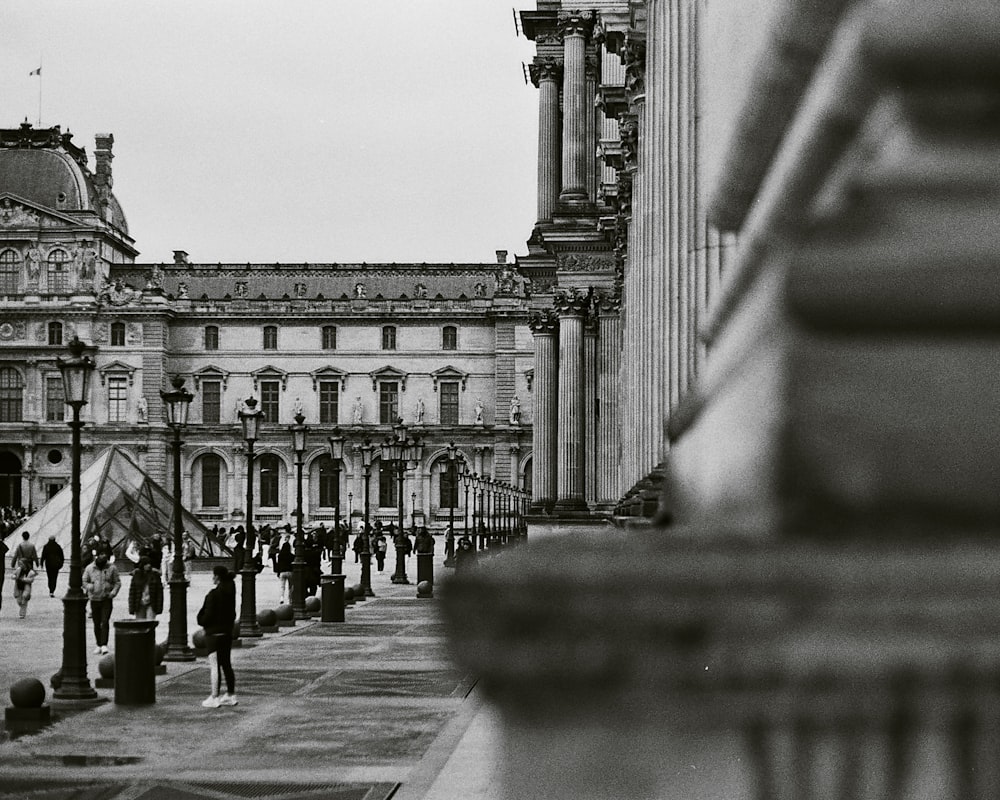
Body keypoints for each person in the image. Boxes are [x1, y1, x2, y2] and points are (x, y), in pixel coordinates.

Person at [196, 565, 238, 708]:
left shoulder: (213, 595)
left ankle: (214, 697)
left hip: (213, 634)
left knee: (214, 666)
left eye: (213, 575)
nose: (212, 578)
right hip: (226, 633)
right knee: (226, 664)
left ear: (217, 577)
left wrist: (201, 620)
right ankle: (231, 695)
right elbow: (233, 614)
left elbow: (206, 616)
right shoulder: (230, 593)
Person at [82, 552, 121, 655]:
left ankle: (104, 644)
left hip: (106, 598)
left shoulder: (112, 568)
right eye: (101, 556)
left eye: (105, 557)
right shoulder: (90, 568)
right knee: (96, 622)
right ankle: (98, 644)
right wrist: (90, 587)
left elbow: (117, 582)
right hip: (94, 599)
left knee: (105, 621)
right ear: (97, 556)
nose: (103, 558)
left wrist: (113, 593)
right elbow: (84, 581)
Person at [275, 539, 293, 604]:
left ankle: (281, 597)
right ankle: (290, 599)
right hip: (290, 572)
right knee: (291, 586)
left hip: (282, 572)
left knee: (282, 586)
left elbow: (278, 565)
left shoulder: (280, 556)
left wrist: (278, 572)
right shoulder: (291, 556)